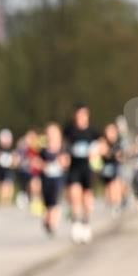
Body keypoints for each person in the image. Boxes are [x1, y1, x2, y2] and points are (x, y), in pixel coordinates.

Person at [63, 103, 100, 244]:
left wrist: (96, 153)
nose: (80, 117)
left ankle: (86, 223)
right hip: (74, 168)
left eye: (83, 114)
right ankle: (76, 224)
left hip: (88, 169)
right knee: (74, 196)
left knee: (87, 198)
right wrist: (64, 155)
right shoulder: (69, 130)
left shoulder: (93, 131)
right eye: (78, 114)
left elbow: (102, 145)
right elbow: (63, 144)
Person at [39, 122, 69, 236]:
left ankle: (53, 223)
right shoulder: (43, 149)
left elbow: (66, 162)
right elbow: (37, 162)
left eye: (54, 133)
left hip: (58, 178)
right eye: (49, 133)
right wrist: (43, 165)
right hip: (46, 178)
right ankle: (48, 220)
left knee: (55, 201)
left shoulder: (63, 147)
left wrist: (62, 162)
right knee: (48, 203)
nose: (51, 135)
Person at [97, 121, 124, 217]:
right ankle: (111, 203)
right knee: (109, 186)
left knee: (116, 184)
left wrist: (111, 153)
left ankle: (117, 204)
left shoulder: (118, 142)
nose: (110, 133)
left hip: (116, 167)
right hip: (105, 168)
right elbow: (102, 153)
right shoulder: (103, 141)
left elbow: (120, 156)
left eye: (112, 131)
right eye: (108, 131)